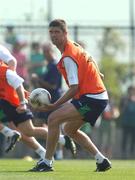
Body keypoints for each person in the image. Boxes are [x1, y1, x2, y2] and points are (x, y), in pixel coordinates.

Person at [30, 19, 111, 172]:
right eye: (51, 32)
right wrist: (97, 73)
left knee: (53, 118)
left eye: (57, 32)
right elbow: (89, 60)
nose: (54, 35)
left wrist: (54, 105)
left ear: (65, 33)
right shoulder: (75, 46)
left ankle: (46, 162)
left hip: (92, 98)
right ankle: (101, 160)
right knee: (69, 130)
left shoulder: (68, 56)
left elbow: (74, 88)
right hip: (95, 97)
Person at [0, 44, 76, 160]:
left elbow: (18, 84)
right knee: (27, 131)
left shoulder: (5, 72)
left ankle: (60, 141)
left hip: (15, 104)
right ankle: (12, 134)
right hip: (6, 103)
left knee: (30, 131)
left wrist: (22, 103)